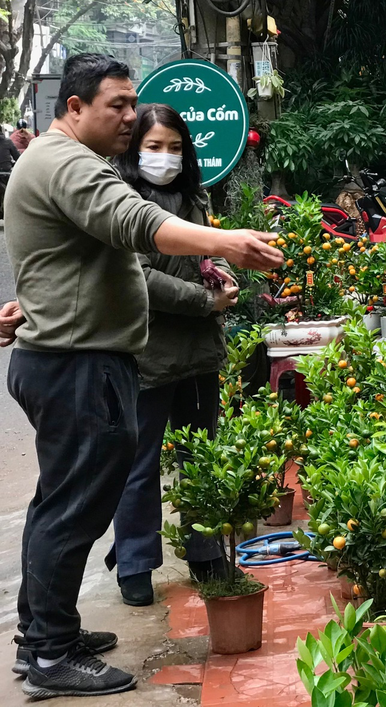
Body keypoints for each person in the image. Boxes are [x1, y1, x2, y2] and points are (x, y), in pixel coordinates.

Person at [4, 53, 281, 701]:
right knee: (71, 513)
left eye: (133, 104)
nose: (130, 116)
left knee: (61, 507)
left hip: (77, 358)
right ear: (74, 108)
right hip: (77, 364)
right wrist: (225, 242)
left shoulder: (68, 160)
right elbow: (135, 224)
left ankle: (48, 632)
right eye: (117, 105)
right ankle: (48, 653)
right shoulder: (65, 163)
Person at [104, 104, 237, 607]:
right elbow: (137, 276)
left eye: (175, 147)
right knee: (139, 464)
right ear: (136, 149)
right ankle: (135, 564)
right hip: (148, 352)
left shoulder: (193, 197)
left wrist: (221, 273)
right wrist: (204, 300)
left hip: (199, 352)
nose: (166, 157)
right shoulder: (123, 200)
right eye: (155, 147)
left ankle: (205, 553)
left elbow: (209, 251)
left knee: (198, 458)